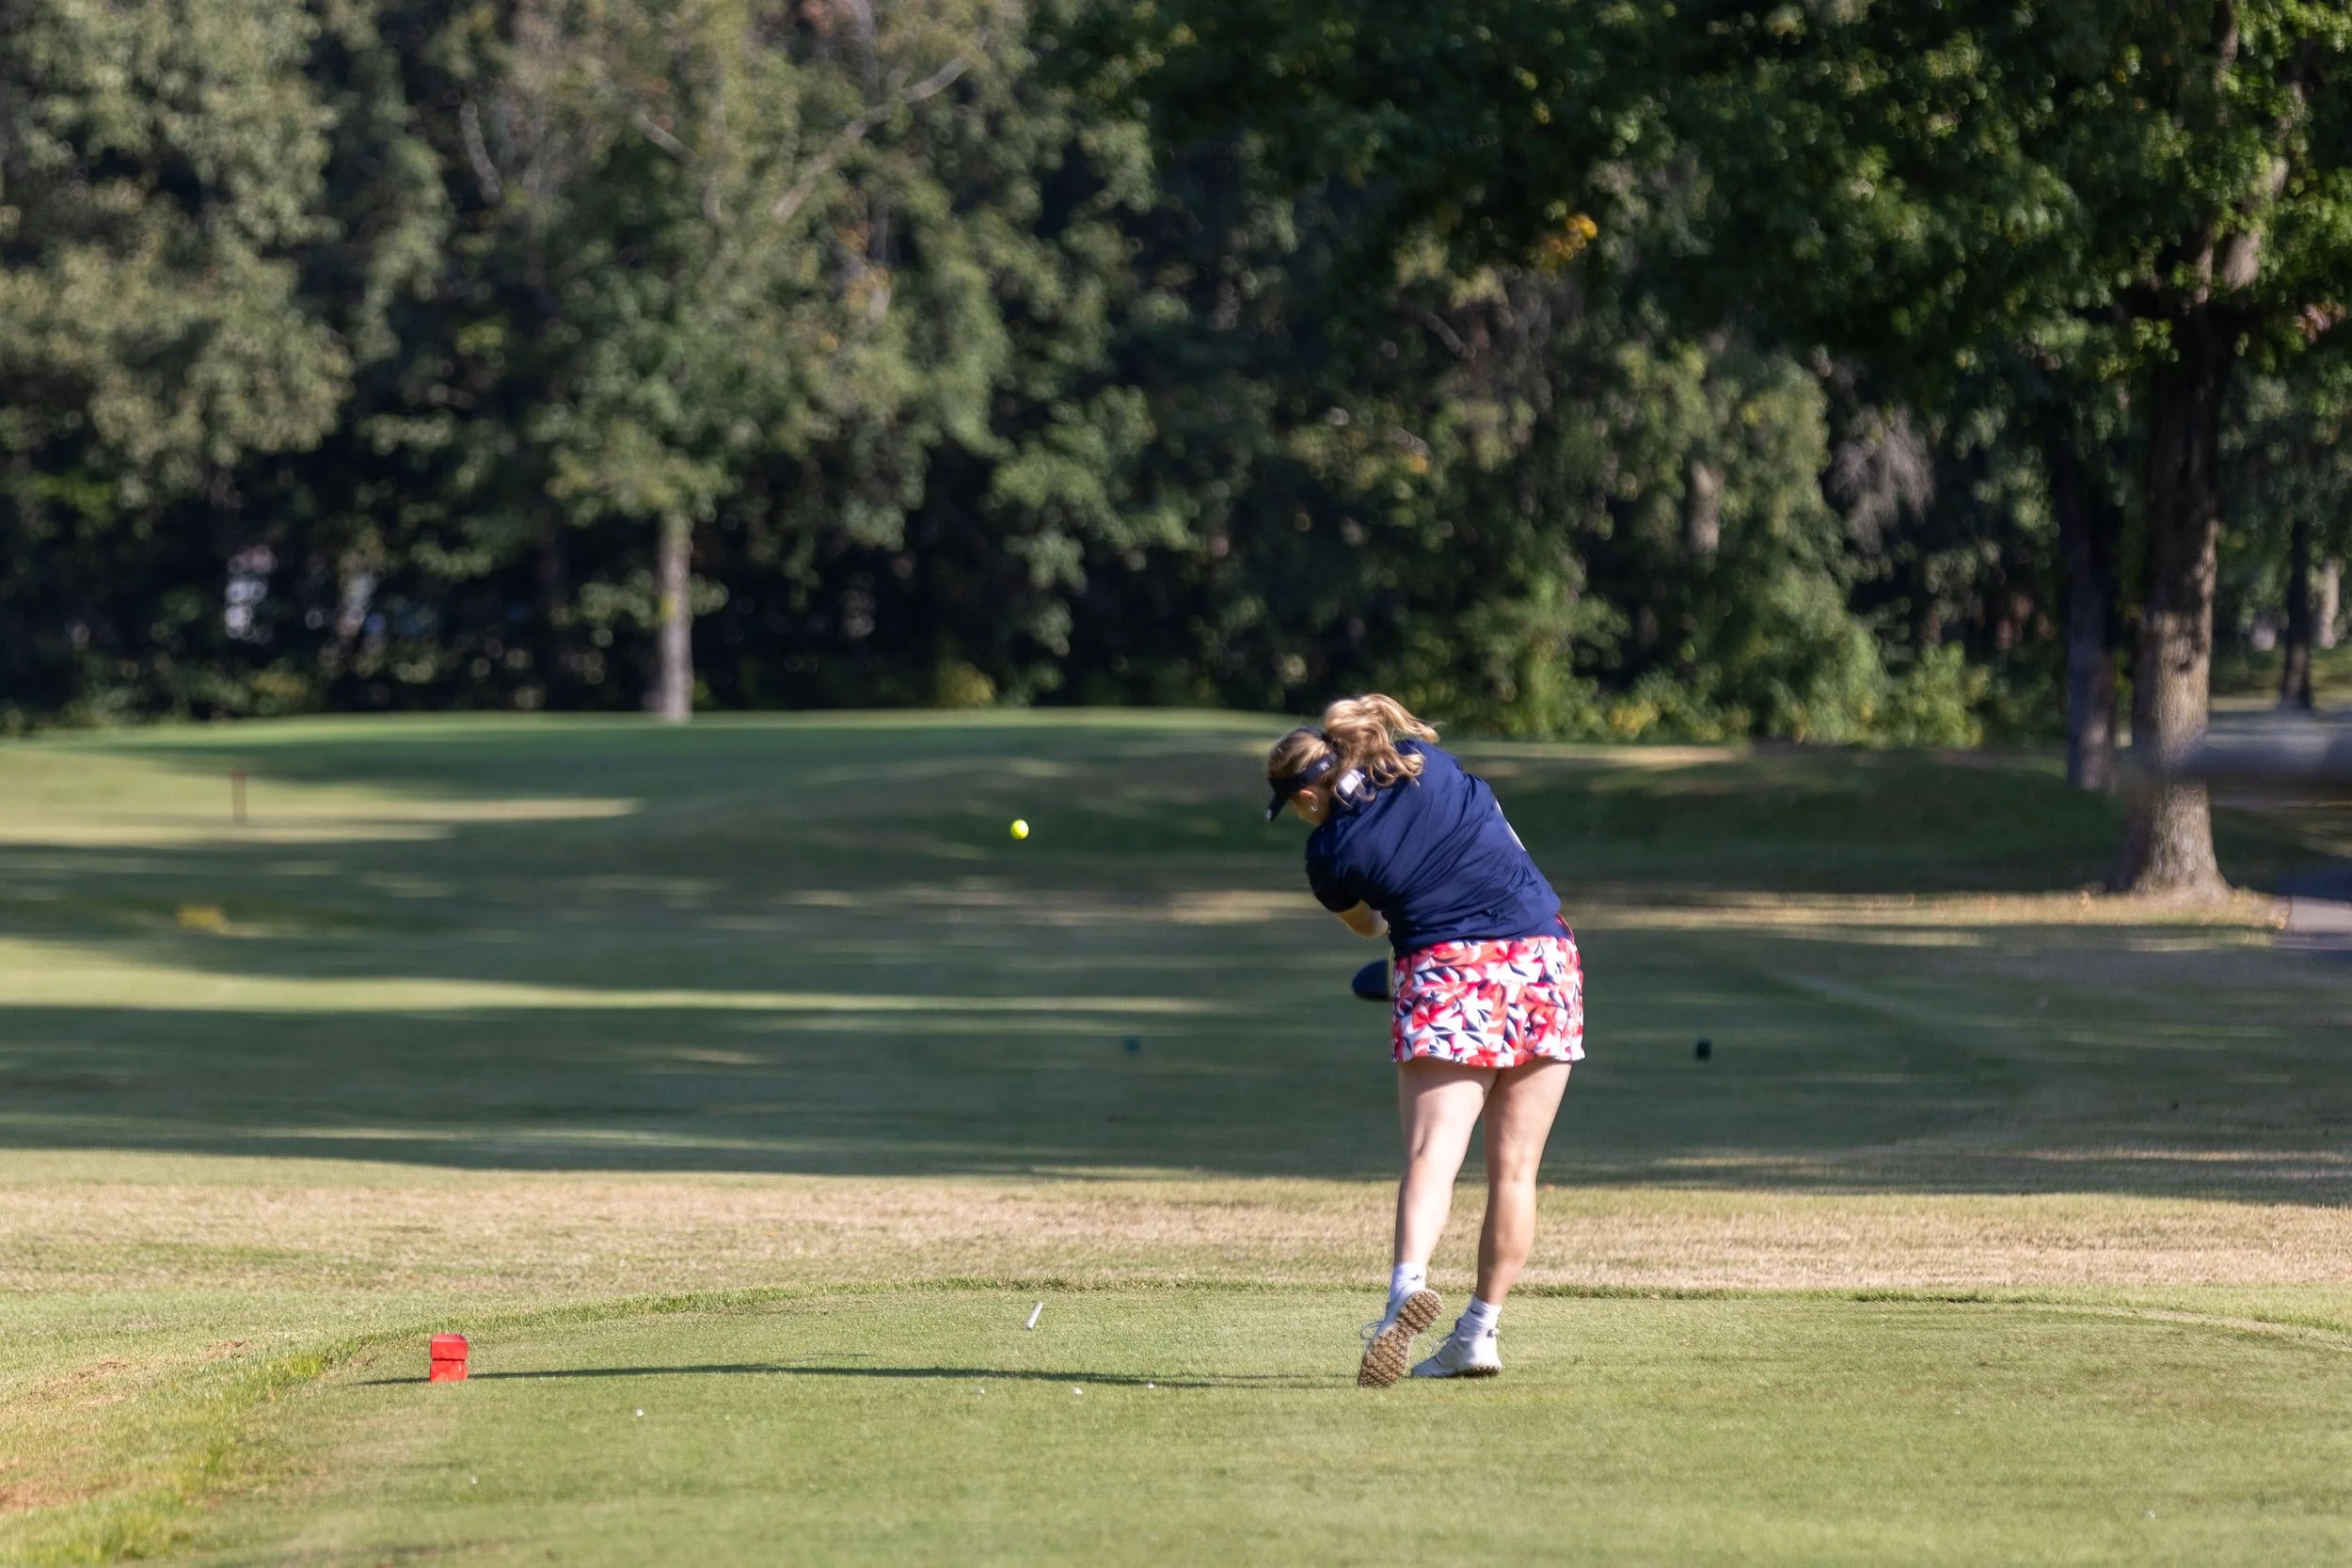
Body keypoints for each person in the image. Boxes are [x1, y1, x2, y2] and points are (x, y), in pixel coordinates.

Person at [1263, 694, 1584, 1386]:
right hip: (1545, 958)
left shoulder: (1330, 851)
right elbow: (1510, 842)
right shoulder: (1428, 763)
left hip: (1446, 969)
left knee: (1433, 1151)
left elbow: (1372, 929)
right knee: (1516, 1169)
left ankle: (1405, 1293)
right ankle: (1478, 1331)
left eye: (1294, 804)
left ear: (1310, 792)